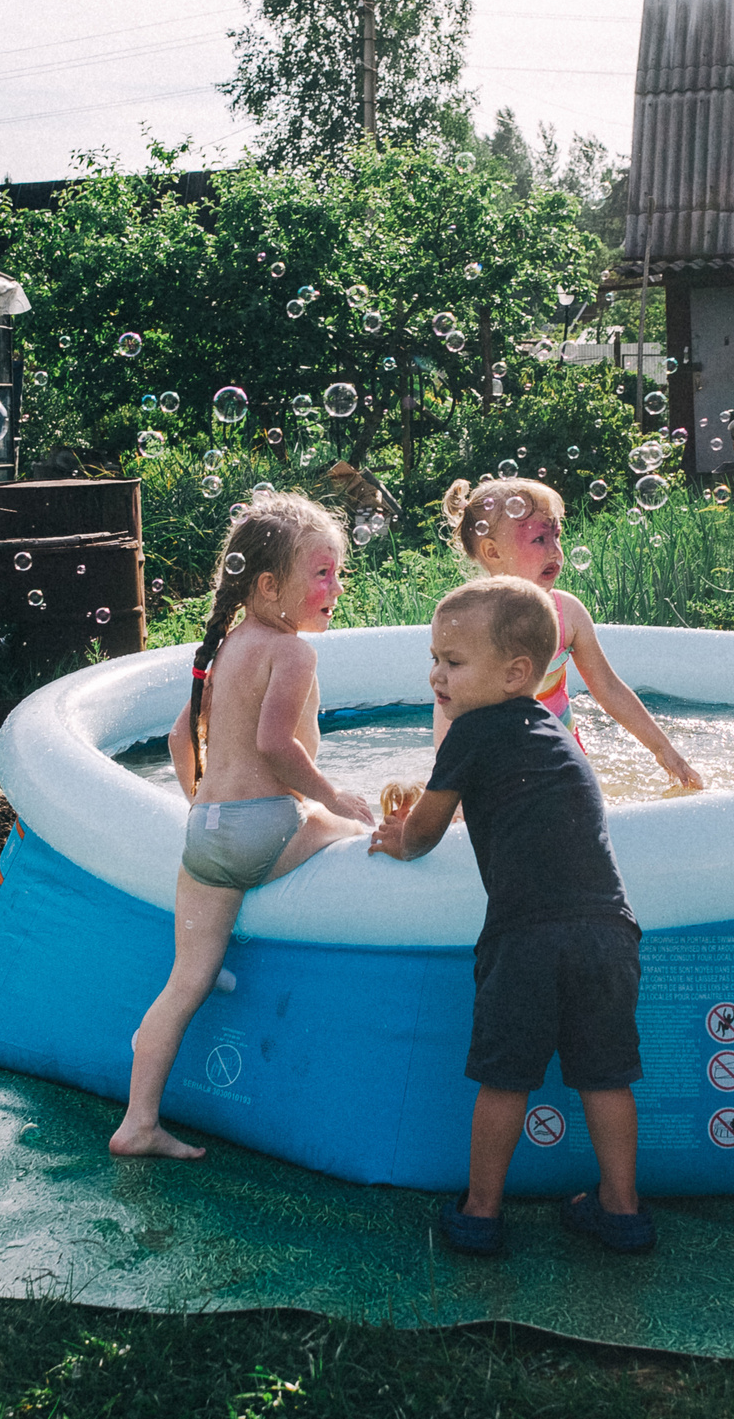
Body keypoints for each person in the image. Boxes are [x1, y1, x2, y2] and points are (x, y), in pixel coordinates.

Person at [371, 576, 652, 1257]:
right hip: (610, 930)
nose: (437, 674)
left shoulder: (471, 733)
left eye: (454, 662)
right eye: (435, 658)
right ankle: (622, 1207)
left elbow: (430, 830)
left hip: (527, 935)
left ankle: (480, 1210)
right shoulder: (552, 732)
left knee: (505, 1078)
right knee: (605, 1073)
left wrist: (396, 837)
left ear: (516, 672)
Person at [109, 494, 376, 1160]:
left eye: (338, 573)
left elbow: (180, 738)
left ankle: (137, 1123)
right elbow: (279, 745)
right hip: (266, 828)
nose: (335, 587)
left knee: (184, 984)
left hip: (208, 833)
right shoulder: (292, 653)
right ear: (266, 585)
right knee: (357, 831)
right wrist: (335, 798)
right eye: (321, 573)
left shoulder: (226, 647)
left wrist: (205, 801)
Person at [436, 478, 703, 790]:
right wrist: (448, 786)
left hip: (562, 758)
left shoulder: (568, 614)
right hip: (496, 769)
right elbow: (447, 707)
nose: (555, 551)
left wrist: (663, 749)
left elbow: (609, 689)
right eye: (539, 540)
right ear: (493, 551)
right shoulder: (470, 624)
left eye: (557, 536)